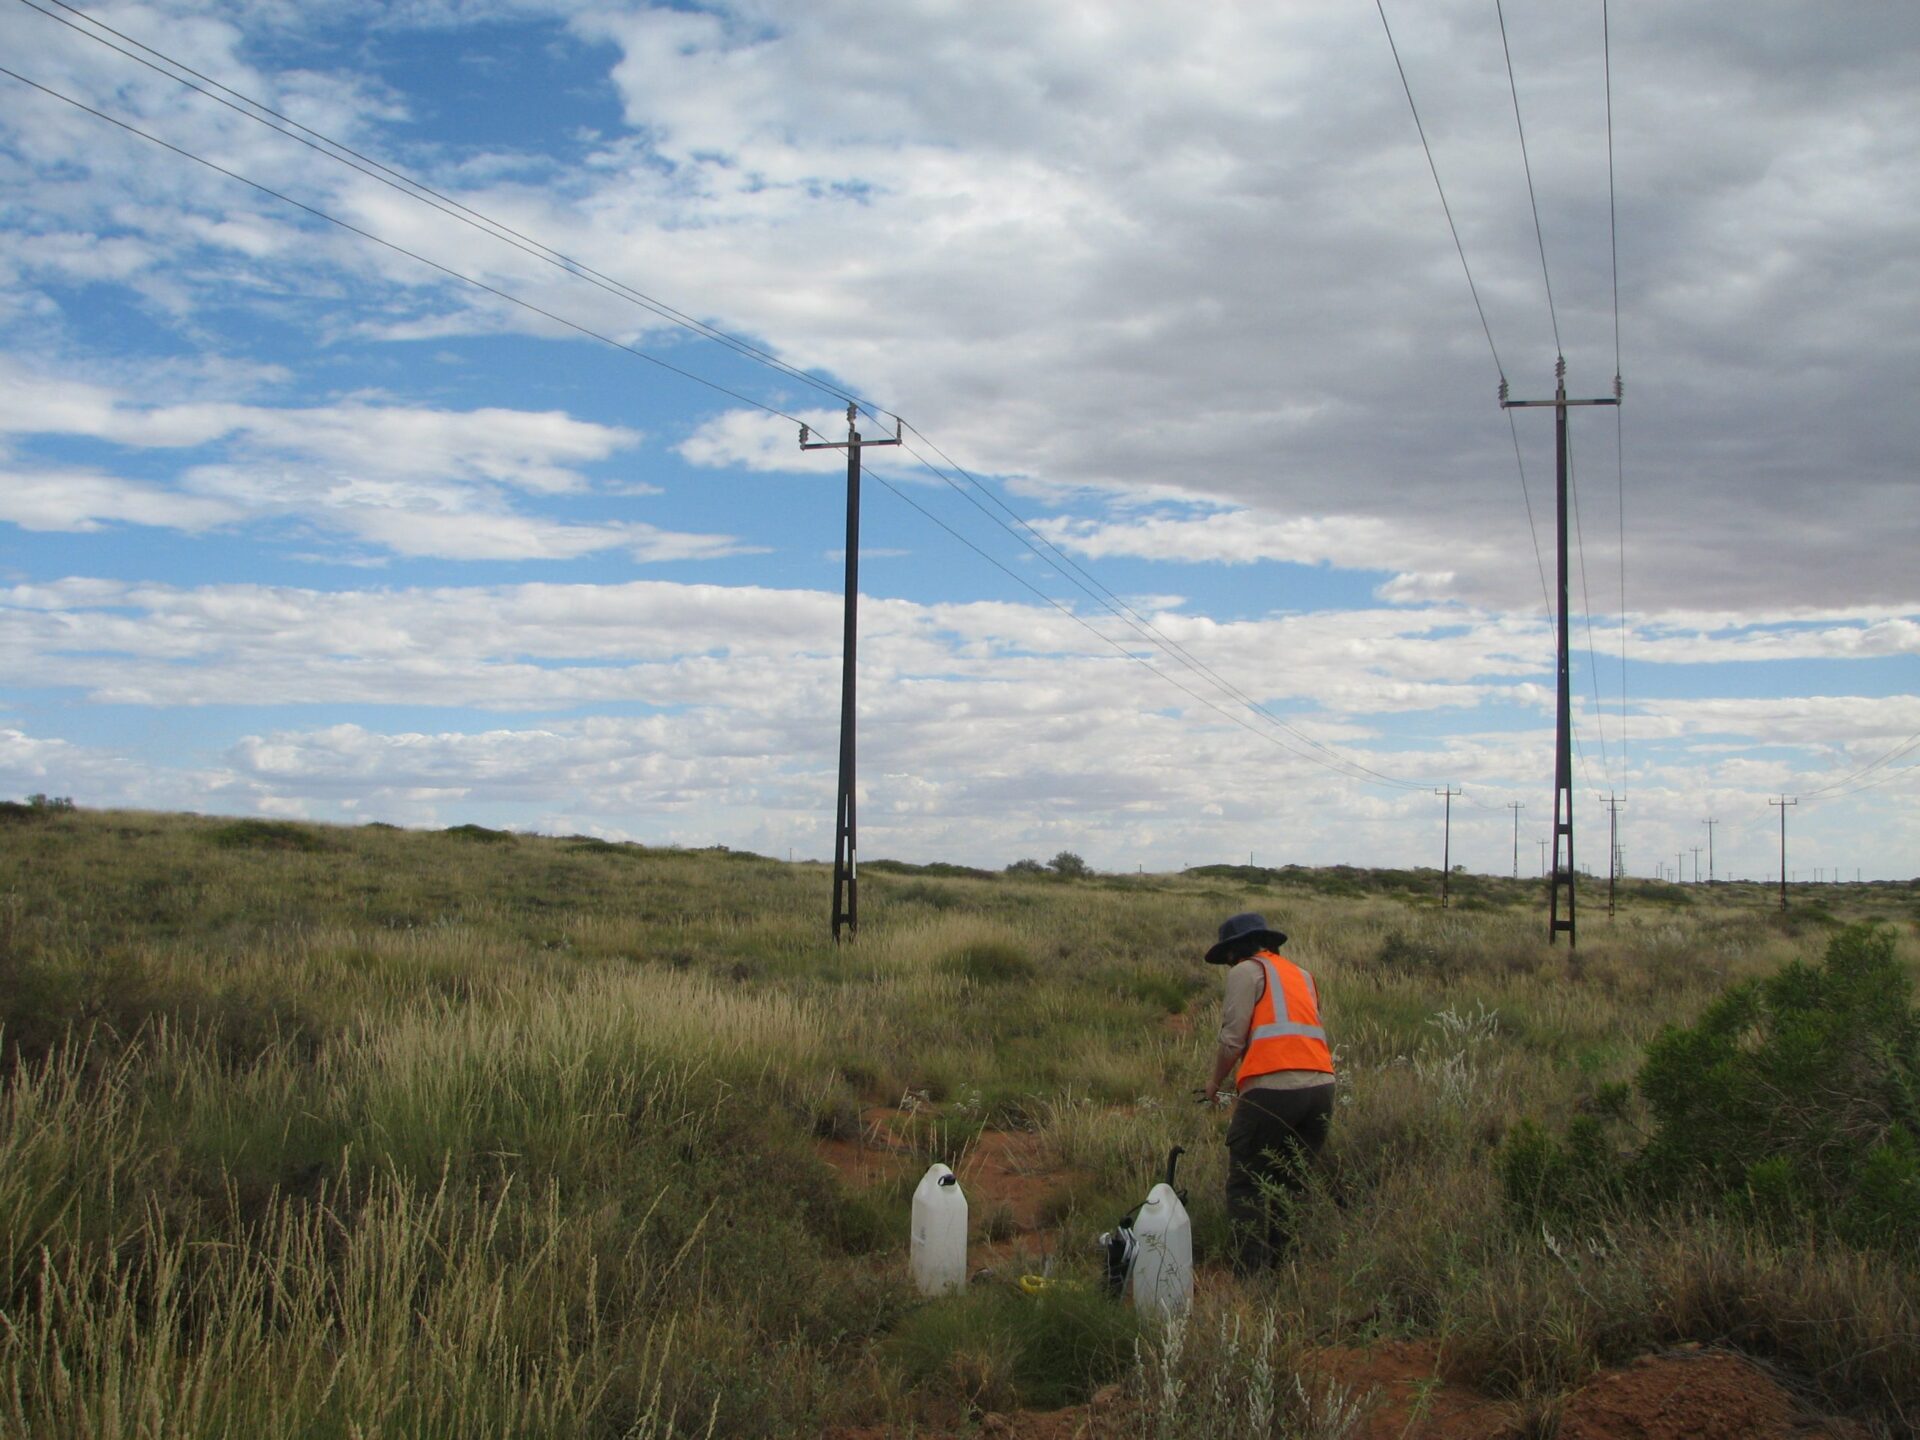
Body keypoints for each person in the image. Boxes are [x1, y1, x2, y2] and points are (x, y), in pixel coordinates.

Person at [1200, 911, 1335, 1274]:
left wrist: (1214, 1083)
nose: (1228, 962)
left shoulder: (1245, 971)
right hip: (1322, 1087)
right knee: (1292, 1181)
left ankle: (1251, 1276)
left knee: (1247, 1182)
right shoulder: (1302, 975)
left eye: (1228, 955)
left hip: (1273, 1090)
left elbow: (1232, 1038)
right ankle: (1283, 1266)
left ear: (1235, 951)